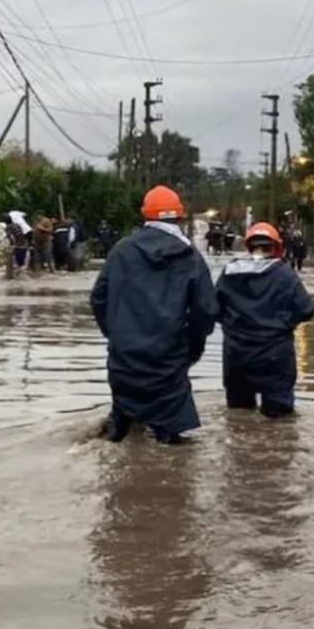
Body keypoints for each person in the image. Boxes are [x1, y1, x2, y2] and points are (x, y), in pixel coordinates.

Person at [91, 185, 217, 445]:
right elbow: (205, 313)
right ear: (179, 217)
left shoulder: (121, 251)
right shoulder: (191, 257)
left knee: (120, 438)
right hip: (168, 368)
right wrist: (190, 350)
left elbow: (98, 299)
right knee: (173, 448)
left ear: (144, 216)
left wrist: (117, 336)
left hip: (123, 365)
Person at [216, 222, 314, 418]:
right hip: (275, 356)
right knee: (280, 420)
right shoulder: (285, 274)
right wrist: (284, 324)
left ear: (248, 245)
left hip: (236, 355)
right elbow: (306, 310)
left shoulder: (229, 273)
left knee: (238, 417)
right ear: (276, 246)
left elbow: (212, 307)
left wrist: (233, 327)